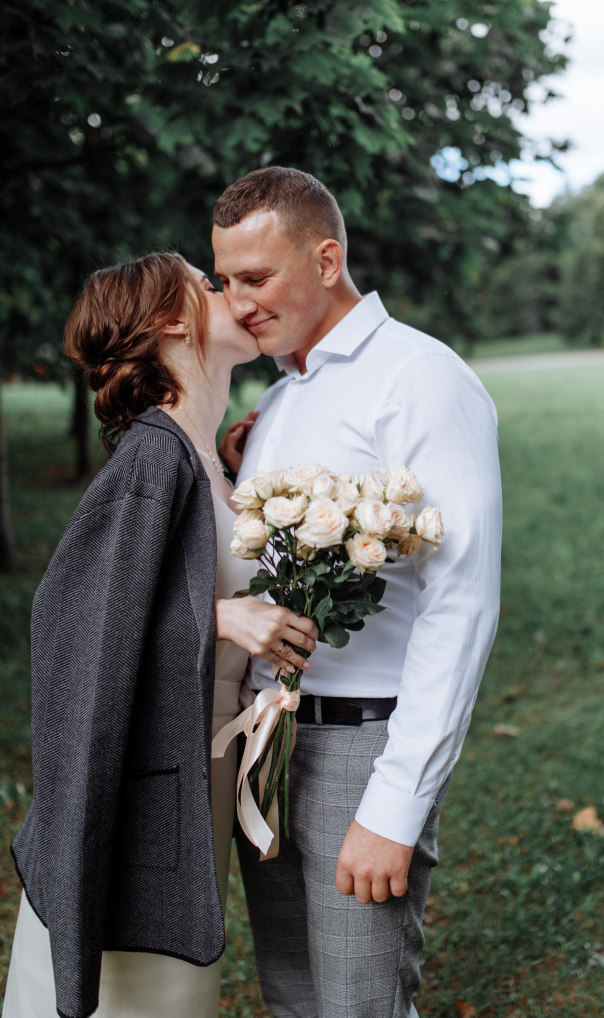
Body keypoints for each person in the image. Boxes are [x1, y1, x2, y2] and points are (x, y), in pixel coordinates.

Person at [213, 167, 503, 1018]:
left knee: (358, 1007)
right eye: (225, 281)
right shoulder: (277, 396)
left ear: (327, 258)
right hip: (270, 742)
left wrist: (397, 801)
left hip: (361, 748)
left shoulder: (419, 377)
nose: (236, 302)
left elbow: (462, 600)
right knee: (293, 996)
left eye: (255, 278)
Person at [2, 252, 318, 1018]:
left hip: (190, 772)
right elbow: (65, 622)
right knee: (140, 998)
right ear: (175, 321)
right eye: (210, 285)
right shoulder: (152, 456)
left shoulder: (202, 457)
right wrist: (215, 621)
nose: (231, 295)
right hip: (143, 786)